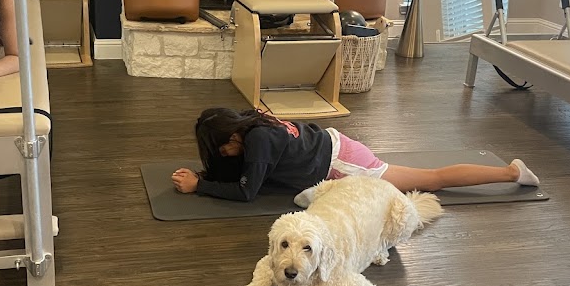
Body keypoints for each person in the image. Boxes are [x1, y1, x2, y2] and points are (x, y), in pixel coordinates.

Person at [171, 107, 540, 202]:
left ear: (233, 136)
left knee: (432, 180)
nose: (223, 153)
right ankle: (508, 172)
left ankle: (511, 173)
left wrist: (199, 186)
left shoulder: (258, 142)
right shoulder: (253, 124)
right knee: (431, 178)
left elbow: (247, 191)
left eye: (221, 147)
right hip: (336, 147)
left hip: (344, 164)